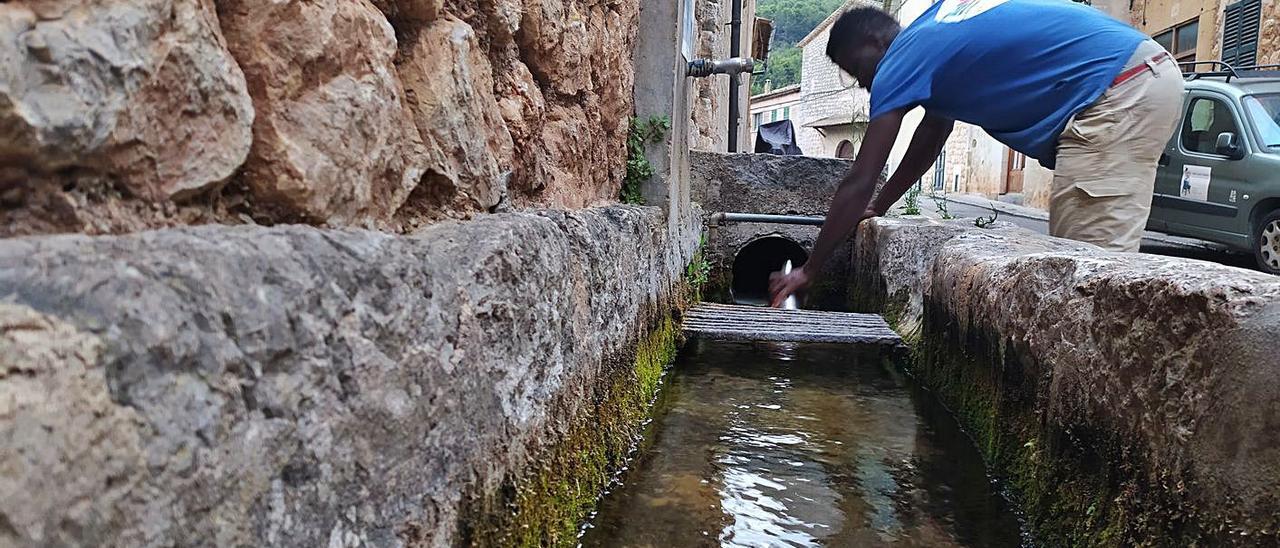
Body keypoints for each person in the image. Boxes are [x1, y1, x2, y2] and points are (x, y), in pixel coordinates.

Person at [768, 0, 1184, 307]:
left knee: (1089, 284)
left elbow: (859, 178)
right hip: (1134, 75)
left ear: (876, 41)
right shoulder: (933, 35)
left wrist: (810, 268)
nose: (861, 83)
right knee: (1083, 270)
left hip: (1115, 91)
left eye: (855, 68)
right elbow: (932, 133)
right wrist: (881, 204)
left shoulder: (899, 59)